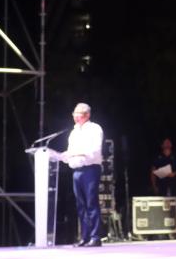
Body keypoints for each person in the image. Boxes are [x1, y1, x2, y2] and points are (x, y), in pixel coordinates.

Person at [61, 102, 104, 247]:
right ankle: (85, 236)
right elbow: (70, 151)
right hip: (76, 171)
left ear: (87, 115)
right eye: (74, 113)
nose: (75, 116)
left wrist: (77, 153)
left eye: (78, 113)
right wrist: (61, 156)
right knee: (80, 205)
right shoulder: (74, 132)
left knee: (91, 202)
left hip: (90, 169)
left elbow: (94, 151)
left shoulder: (94, 129)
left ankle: (95, 237)